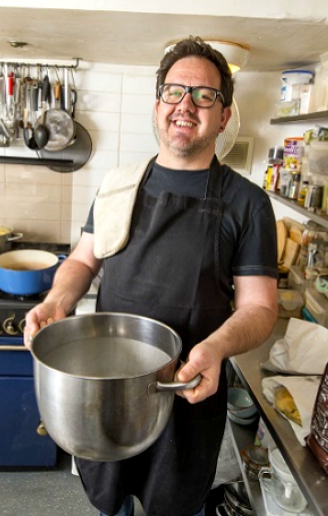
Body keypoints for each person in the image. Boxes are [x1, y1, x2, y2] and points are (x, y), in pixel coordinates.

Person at [24, 36, 278, 516]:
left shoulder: (248, 203)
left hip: (187, 389)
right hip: (106, 385)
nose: (187, 105)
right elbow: (82, 261)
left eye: (205, 95)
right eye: (175, 91)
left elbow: (261, 308)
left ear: (224, 115)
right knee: (110, 500)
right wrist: (58, 301)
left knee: (176, 504)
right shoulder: (117, 185)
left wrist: (218, 348)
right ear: (157, 104)